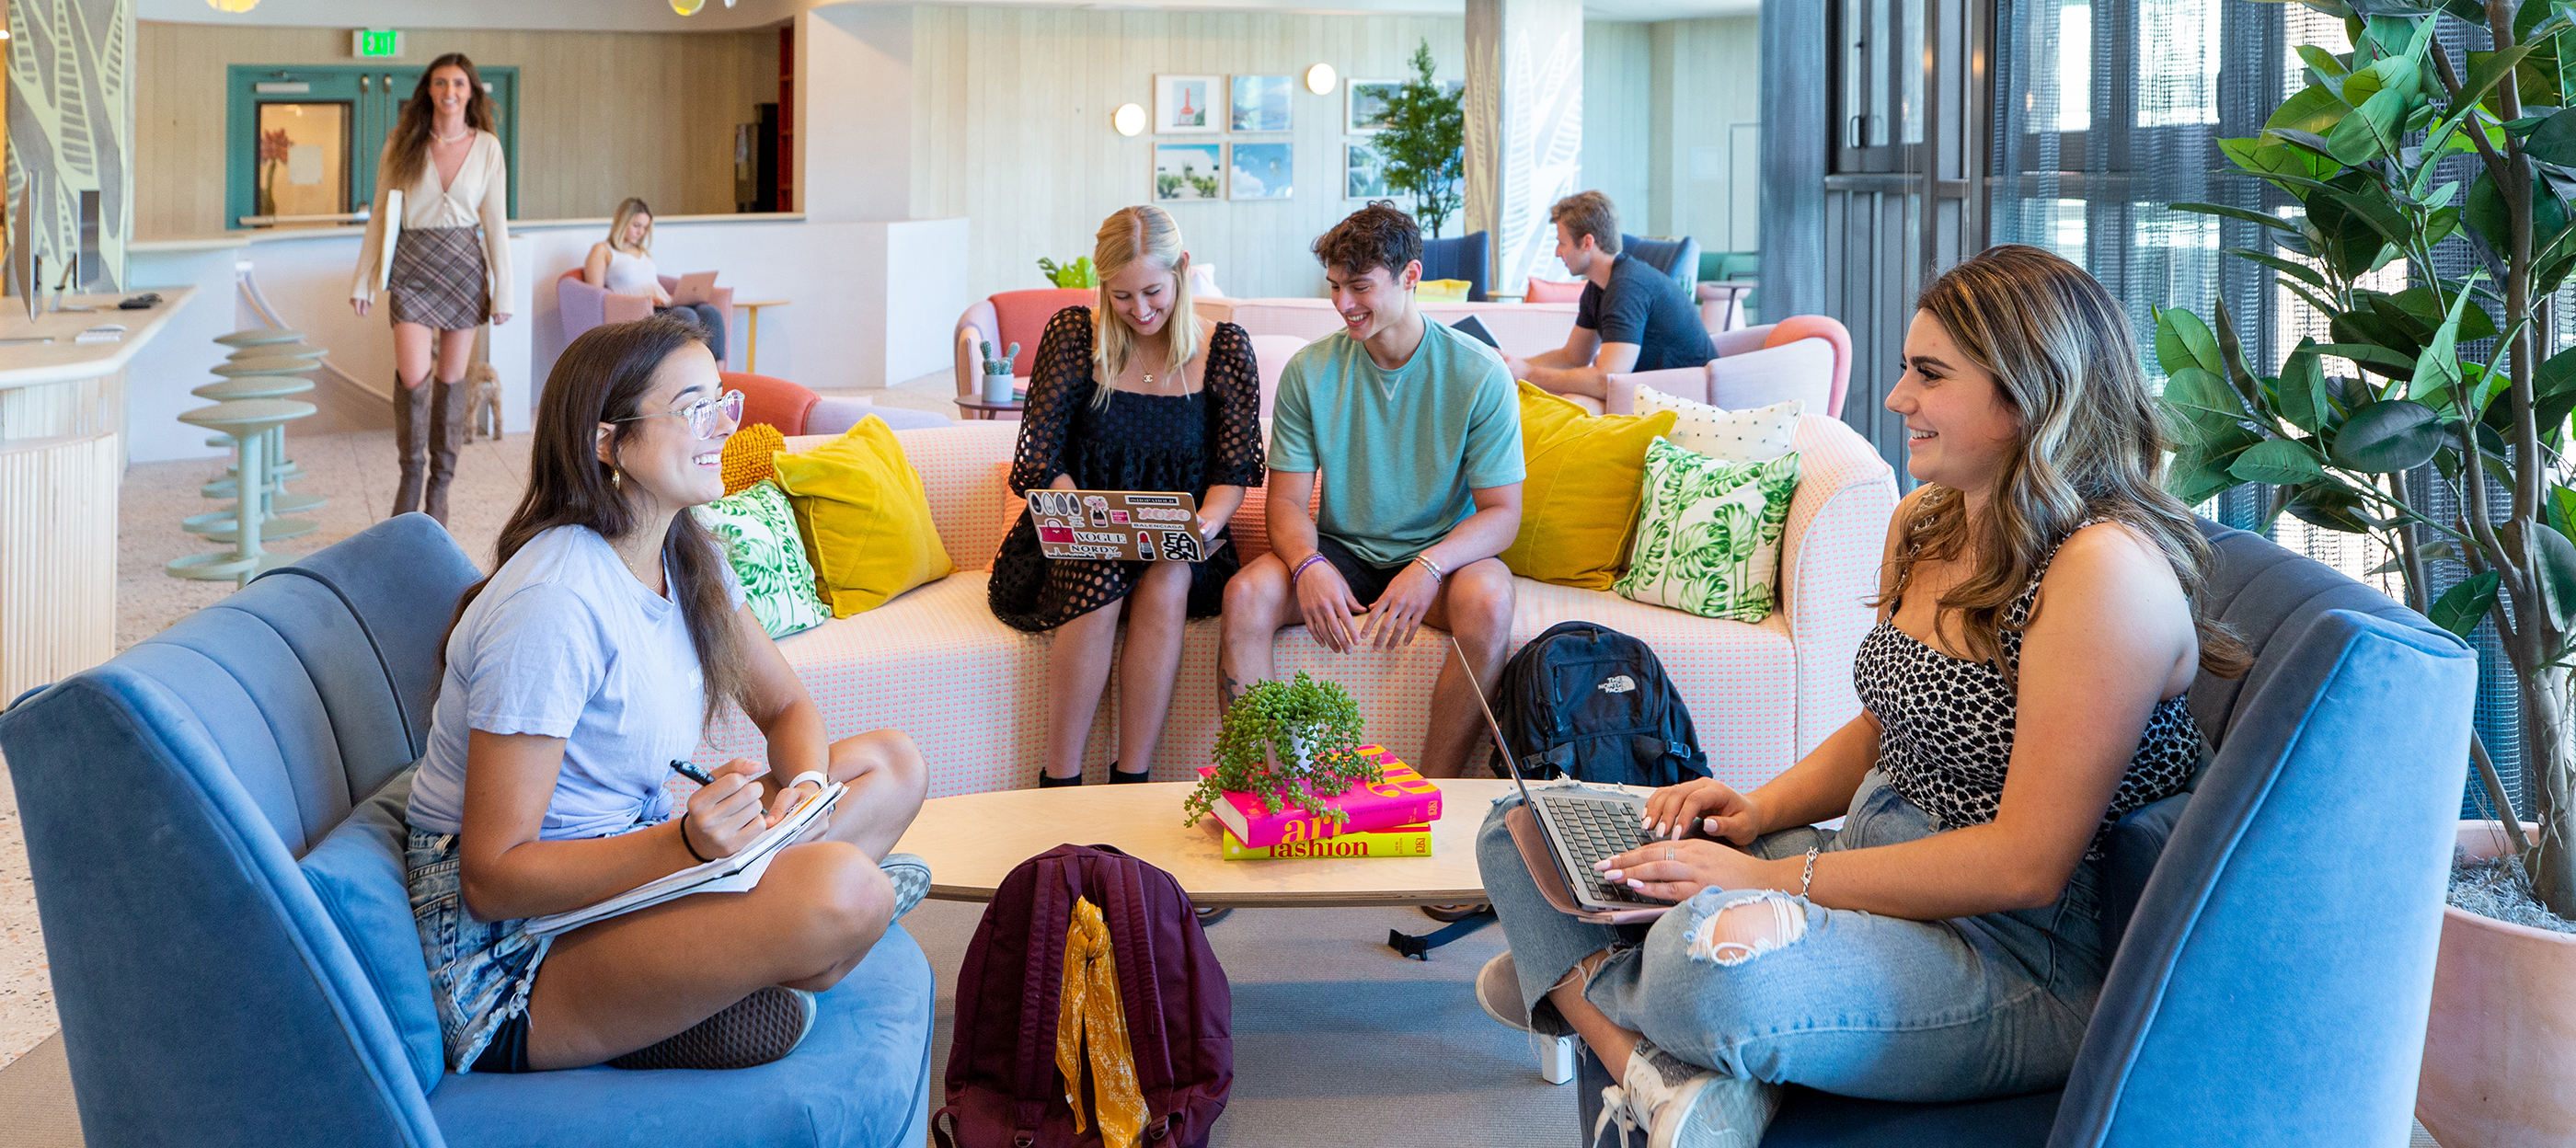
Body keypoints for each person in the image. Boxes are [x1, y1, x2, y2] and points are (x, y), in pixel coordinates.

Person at [1470, 244, 2249, 1145]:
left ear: (2029, 390)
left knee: (1703, 970)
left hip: (2015, 955)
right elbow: (1885, 728)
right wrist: (1752, 811)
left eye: (1928, 374)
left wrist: (1768, 877)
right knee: (1524, 829)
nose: (1895, 399)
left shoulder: (2102, 575)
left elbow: (2025, 864)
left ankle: (1578, 989)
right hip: (1876, 868)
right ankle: (1646, 1056)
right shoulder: (1930, 519)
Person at [402, 315, 932, 1074]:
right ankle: (779, 950)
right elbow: (492, 878)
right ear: (605, 440)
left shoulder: (686, 552)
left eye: (723, 401)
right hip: (514, 954)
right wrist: (684, 843)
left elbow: (788, 711)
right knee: (847, 890)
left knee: (891, 764)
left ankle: (755, 955)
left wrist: (800, 799)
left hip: (628, 860)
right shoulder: (553, 603)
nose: (720, 426)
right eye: (692, 408)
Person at [1218, 202, 1523, 780]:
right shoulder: (1310, 370)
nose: (1342, 304)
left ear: (1411, 276)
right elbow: (1284, 502)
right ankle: (1264, 790)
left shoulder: (1479, 372)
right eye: (1334, 286)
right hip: (1342, 551)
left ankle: (1434, 796)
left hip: (1444, 557)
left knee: (1489, 601)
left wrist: (1429, 566)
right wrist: (1306, 563)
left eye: (1359, 286)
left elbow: (1502, 515)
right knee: (1246, 595)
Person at [988, 205, 1263, 787]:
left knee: (1168, 575)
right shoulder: (1073, 334)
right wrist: (1091, 523)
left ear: (1182, 270)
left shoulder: (1226, 349)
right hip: (1077, 528)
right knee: (1101, 574)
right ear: (1102, 285)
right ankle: (1058, 782)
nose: (1139, 311)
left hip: (1184, 537)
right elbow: (1041, 458)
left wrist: (1204, 527)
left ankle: (1129, 778)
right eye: (1121, 296)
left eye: (1153, 292)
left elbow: (1232, 470)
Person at [351, 52, 513, 526]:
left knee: (450, 381)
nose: (449, 92)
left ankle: (441, 488)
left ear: (471, 92)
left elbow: (496, 225)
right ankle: (411, 475)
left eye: (459, 84)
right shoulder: (402, 142)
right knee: (414, 380)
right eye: (441, 83)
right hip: (411, 267)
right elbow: (380, 216)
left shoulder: (486, 147)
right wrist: (363, 280)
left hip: (464, 266)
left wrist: (503, 292)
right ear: (428, 89)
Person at [1504, 190, 1717, 402]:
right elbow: (1572, 357)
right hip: (1648, 392)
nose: (1557, 252)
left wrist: (1528, 375)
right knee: (1565, 402)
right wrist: (1512, 366)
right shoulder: (1597, 287)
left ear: (1587, 243)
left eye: (1562, 243)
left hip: (1689, 400)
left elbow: (1606, 381)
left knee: (1571, 405)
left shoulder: (1628, 287)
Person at [583, 197, 730, 367]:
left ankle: (718, 374)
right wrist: (644, 301)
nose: (641, 232)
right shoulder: (603, 250)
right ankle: (690, 369)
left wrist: (673, 296)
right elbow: (596, 296)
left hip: (664, 304)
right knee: (686, 315)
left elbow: (650, 282)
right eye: (636, 226)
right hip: (640, 309)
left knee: (710, 311)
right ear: (622, 222)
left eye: (645, 227)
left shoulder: (641, 252)